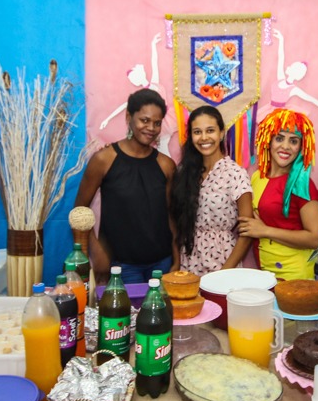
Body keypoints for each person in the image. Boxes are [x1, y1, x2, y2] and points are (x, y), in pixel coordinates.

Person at [75, 88, 179, 284]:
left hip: (162, 264)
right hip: (122, 266)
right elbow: (79, 210)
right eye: (144, 120)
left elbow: (170, 215)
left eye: (157, 123)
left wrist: (176, 258)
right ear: (129, 117)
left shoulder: (166, 165)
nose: (151, 128)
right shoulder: (104, 159)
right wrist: (96, 251)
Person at [238, 108, 318, 281]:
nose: (285, 146)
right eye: (279, 138)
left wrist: (265, 231)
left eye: (293, 141)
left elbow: (317, 238)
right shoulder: (257, 177)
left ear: (301, 146)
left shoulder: (302, 184)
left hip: (295, 276)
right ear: (268, 141)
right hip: (267, 274)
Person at [170, 106, 253, 275]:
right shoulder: (185, 172)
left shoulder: (235, 173)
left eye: (210, 130)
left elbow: (247, 232)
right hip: (189, 260)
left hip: (222, 261)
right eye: (197, 132)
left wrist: (223, 273)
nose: (204, 137)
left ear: (221, 133)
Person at [266, 29, 318, 122]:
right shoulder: (281, 78)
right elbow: (281, 57)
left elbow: (312, 99)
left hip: (281, 117)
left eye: (292, 66)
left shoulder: (293, 89)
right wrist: (281, 40)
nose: (289, 66)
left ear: (296, 74)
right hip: (269, 112)